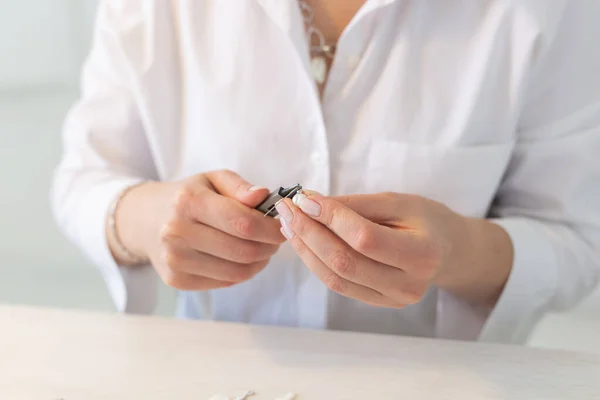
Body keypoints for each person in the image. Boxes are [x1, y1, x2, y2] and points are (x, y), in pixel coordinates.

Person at [51, 0, 600, 344]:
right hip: (213, 375)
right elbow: (83, 179)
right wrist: (145, 221)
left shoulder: (549, 11)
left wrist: (459, 252)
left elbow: (577, 240)